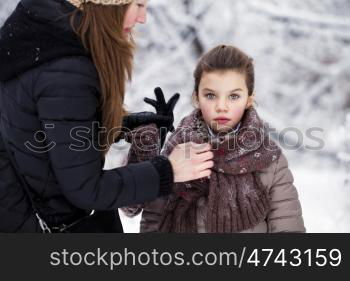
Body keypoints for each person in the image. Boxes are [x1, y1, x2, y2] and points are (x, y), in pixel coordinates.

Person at [0, 0, 214, 233]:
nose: (143, 18)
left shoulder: (36, 39)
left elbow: (39, 135)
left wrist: (120, 126)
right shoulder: (66, 72)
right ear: (108, 5)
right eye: (138, 5)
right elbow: (88, 190)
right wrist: (169, 170)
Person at [124, 45, 306, 233]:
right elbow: (146, 217)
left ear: (249, 100)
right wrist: (146, 150)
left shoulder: (268, 160)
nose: (221, 106)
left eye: (234, 96)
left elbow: (288, 230)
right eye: (210, 95)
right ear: (197, 98)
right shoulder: (178, 152)